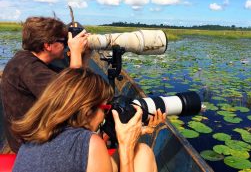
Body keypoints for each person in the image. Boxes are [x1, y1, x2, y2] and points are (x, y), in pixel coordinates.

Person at [12, 68, 165, 172]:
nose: (105, 116)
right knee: (143, 153)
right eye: (105, 109)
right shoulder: (87, 142)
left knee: (141, 151)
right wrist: (125, 147)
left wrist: (132, 137)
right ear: (86, 111)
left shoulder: (31, 140)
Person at [0, 16, 88, 153]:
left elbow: (64, 77)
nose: (66, 45)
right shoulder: (29, 68)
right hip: (30, 145)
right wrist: (75, 53)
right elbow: (72, 97)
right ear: (47, 45)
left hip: (27, 135)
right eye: (63, 41)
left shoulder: (26, 59)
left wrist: (79, 54)